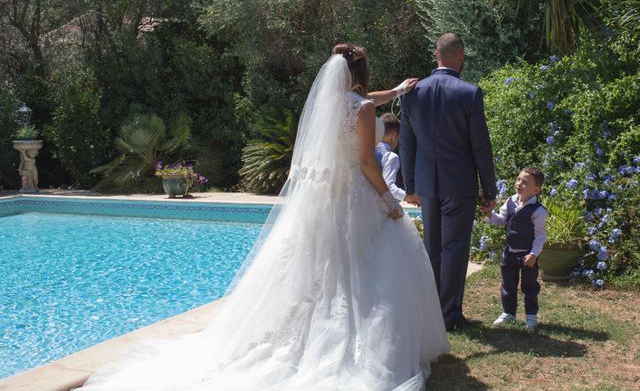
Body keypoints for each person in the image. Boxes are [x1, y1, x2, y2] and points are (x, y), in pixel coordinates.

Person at [77, 44, 450, 391]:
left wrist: (398, 90)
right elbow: (368, 160)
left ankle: (302, 338)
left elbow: (366, 100)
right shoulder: (363, 109)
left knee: (320, 271)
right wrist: (389, 199)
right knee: (367, 267)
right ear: (361, 72)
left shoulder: (328, 106)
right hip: (356, 194)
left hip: (325, 200)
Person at [400, 32, 497, 331]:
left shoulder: (413, 92)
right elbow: (480, 146)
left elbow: (407, 143)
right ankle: (449, 314)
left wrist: (411, 185)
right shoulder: (469, 93)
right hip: (459, 183)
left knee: (433, 246)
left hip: (427, 184)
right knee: (455, 247)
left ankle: (432, 312)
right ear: (460, 56)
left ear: (436, 54)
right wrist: (489, 190)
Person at [482, 166, 548, 329]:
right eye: (518, 179)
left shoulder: (538, 211)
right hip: (510, 252)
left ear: (536, 189)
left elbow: (540, 235)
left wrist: (534, 254)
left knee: (529, 286)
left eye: (525, 182)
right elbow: (500, 220)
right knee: (508, 284)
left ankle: (531, 316)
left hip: (527, 255)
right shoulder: (510, 201)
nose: (519, 183)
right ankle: (509, 313)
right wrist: (489, 214)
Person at [375, 113, 406, 201]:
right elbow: (389, 187)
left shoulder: (368, 150)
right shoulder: (391, 156)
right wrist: (407, 196)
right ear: (394, 136)